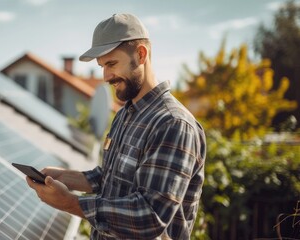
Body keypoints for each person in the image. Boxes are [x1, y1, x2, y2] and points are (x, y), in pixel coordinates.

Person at [26, 13, 206, 239]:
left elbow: (150, 217)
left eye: (111, 63)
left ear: (141, 54)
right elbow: (111, 178)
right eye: (102, 66)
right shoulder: (124, 115)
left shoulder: (173, 124)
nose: (105, 76)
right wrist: (66, 177)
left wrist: (71, 203)